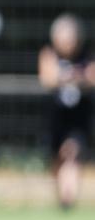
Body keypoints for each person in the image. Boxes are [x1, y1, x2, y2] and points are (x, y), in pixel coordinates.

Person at [38, 13, 94, 209]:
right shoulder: (49, 53)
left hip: (78, 116)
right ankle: (62, 198)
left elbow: (92, 75)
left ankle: (68, 199)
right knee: (57, 158)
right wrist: (70, 76)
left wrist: (73, 76)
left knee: (72, 153)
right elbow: (48, 78)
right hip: (55, 117)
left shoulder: (86, 55)